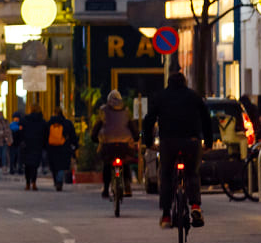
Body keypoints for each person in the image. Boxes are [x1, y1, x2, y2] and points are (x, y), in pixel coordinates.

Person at [145, 72, 215, 227]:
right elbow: (206, 120)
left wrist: (148, 142)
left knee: (167, 175)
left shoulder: (160, 97)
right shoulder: (194, 96)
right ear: (185, 83)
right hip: (192, 142)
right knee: (192, 173)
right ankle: (195, 206)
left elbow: (148, 120)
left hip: (168, 143)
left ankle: (165, 216)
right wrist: (208, 142)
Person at [90, 90, 135, 199]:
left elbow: (97, 126)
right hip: (124, 144)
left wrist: (94, 138)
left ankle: (106, 189)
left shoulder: (103, 110)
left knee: (107, 163)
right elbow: (133, 127)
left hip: (108, 144)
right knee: (125, 162)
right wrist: (137, 137)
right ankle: (127, 186)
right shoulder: (126, 111)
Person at [43, 108, 78, 191]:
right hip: (64, 148)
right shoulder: (67, 123)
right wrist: (75, 145)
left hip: (51, 148)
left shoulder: (49, 123)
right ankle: (59, 181)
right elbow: (73, 136)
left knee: (54, 166)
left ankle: (56, 181)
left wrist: (45, 146)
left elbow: (44, 136)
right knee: (61, 166)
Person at [17, 106, 48, 190]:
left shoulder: (25, 120)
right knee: (35, 165)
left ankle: (27, 183)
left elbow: (20, 131)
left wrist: (21, 141)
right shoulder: (42, 121)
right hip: (37, 144)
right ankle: (34, 182)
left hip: (27, 145)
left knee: (27, 165)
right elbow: (45, 133)